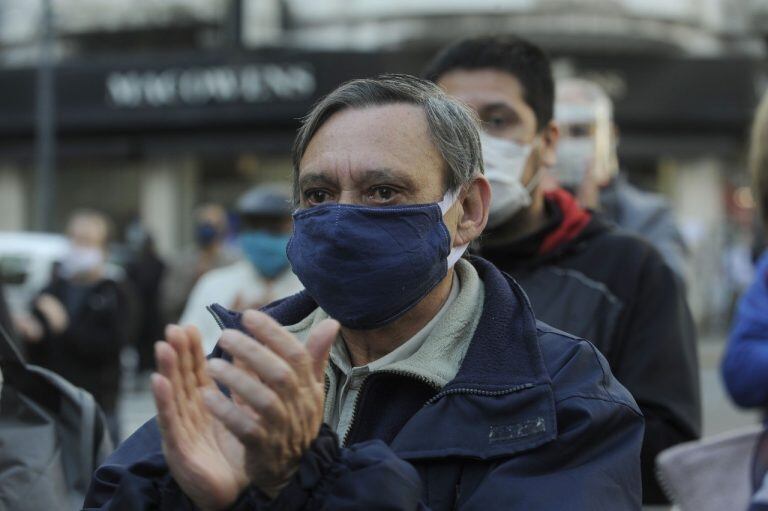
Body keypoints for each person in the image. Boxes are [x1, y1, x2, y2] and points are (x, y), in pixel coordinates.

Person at [84, 74, 644, 510]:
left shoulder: (563, 398)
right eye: (320, 194)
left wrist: (310, 478)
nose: (343, 217)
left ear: (467, 210)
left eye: (383, 191)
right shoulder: (242, 370)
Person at [424, 36, 700, 505]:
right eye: (452, 123)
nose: (477, 142)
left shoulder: (630, 270)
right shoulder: (412, 269)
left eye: (497, 120)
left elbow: (665, 455)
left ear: (547, 141)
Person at [550, 77, 689, 281]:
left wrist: (591, 225)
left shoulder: (650, 216)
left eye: (580, 131)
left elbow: (666, 291)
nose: (567, 144)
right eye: (556, 133)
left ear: (611, 136)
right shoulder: (530, 214)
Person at [15, 210, 127, 443]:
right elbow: (37, 345)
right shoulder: (53, 289)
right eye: (74, 239)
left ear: (103, 249)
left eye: (86, 241)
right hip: (54, 403)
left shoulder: (114, 293)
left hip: (97, 403)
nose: (78, 247)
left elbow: (110, 346)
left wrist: (64, 327)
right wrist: (32, 333)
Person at [179, 184, 303, 353]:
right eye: (254, 226)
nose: (263, 237)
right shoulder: (213, 284)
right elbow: (186, 349)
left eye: (274, 227)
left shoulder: (311, 288)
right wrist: (233, 332)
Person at [161, 203, 238, 324]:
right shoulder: (182, 260)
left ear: (223, 228)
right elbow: (169, 303)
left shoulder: (234, 261)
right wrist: (194, 283)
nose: (209, 230)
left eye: (214, 225)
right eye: (205, 225)